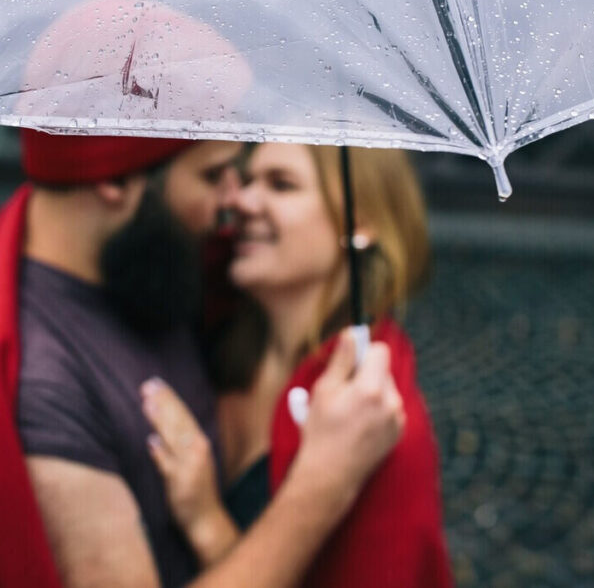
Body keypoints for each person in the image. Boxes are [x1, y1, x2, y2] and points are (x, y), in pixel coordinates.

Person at [0, 132, 407, 588]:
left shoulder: (148, 268)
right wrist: (324, 482)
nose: (234, 201)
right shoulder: (43, 387)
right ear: (114, 180)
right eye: (212, 176)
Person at [142, 143, 454, 587]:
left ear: (360, 221)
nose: (242, 201)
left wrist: (207, 523)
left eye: (281, 185)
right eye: (248, 180)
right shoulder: (214, 334)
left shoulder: (375, 416)